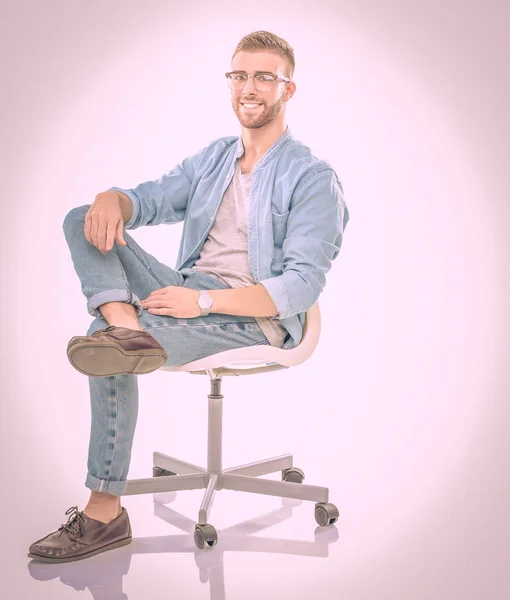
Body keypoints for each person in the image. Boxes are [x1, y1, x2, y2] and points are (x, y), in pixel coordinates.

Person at [28, 30, 349, 563]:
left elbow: (299, 287)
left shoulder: (312, 177)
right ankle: (124, 323)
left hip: (252, 316)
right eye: (240, 75)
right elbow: (149, 200)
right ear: (230, 83)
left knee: (105, 347)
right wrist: (114, 199)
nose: (250, 87)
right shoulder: (216, 159)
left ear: (287, 90)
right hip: (185, 291)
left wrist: (200, 304)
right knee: (82, 219)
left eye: (264, 76)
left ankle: (104, 512)